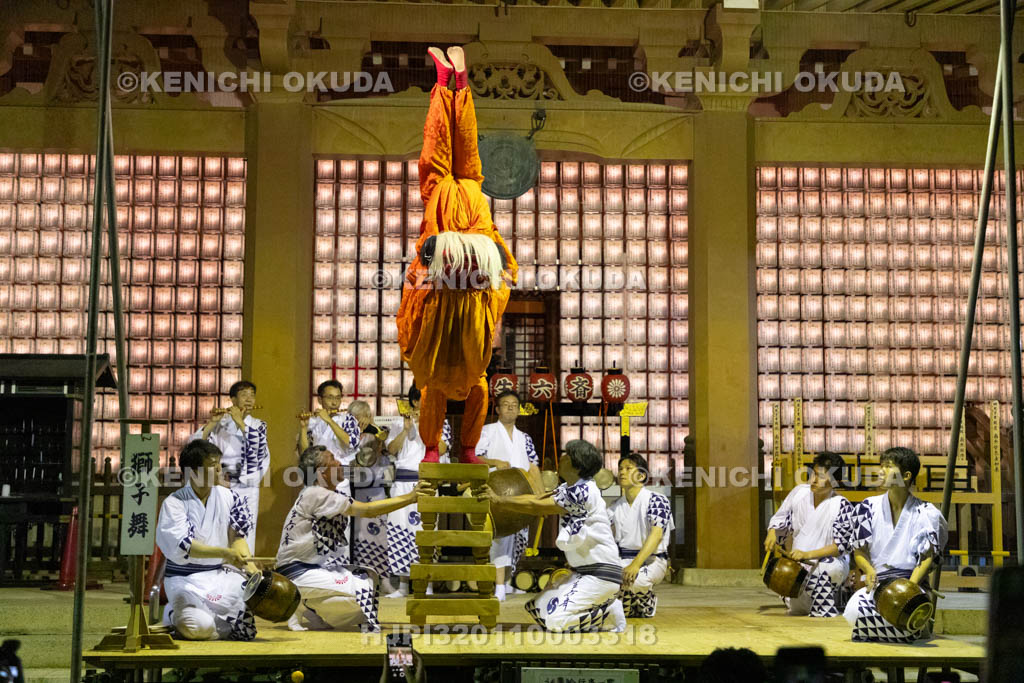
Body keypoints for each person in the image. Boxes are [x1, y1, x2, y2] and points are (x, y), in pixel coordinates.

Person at [396, 44, 518, 466]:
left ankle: (454, 85)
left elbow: (418, 294)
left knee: (462, 158)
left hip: (460, 232)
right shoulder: (463, 375)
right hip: (459, 234)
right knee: (440, 156)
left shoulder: (437, 375)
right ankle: (451, 85)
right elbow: (500, 285)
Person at [276, 445, 434, 632]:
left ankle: (306, 604)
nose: (339, 463)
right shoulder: (317, 494)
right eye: (332, 459)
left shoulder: (319, 493)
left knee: (368, 576)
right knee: (363, 592)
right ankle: (304, 603)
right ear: (322, 472)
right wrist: (410, 497)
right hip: (296, 573)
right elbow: (368, 510)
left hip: (306, 569)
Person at [477, 439, 626, 632]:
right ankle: (599, 607)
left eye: (566, 455)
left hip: (601, 574)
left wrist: (499, 501)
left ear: (576, 465)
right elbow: (537, 498)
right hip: (583, 572)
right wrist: (500, 500)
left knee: (556, 622)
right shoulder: (571, 488)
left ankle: (607, 611)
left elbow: (535, 507)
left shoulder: (583, 492)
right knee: (537, 609)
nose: (560, 458)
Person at [843, 447, 948, 642]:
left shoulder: (927, 513)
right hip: (878, 586)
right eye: (880, 466)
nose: (880, 471)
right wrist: (868, 570)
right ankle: (908, 632)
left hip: (910, 585)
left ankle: (905, 630)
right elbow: (859, 551)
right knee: (854, 610)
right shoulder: (867, 507)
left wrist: (907, 589)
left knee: (904, 614)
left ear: (906, 475)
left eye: (888, 467)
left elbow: (926, 559)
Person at [156, 440, 257, 641]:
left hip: (219, 576)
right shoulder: (174, 503)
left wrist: (250, 566)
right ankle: (172, 614)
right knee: (199, 627)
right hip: (184, 580)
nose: (220, 469)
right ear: (192, 471)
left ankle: (212, 621)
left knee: (247, 621)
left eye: (219, 463)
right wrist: (224, 553)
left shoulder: (230, 496)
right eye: (212, 465)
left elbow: (237, 536)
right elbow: (185, 546)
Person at [765, 451, 854, 618]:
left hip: (824, 562)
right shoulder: (799, 493)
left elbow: (840, 546)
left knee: (828, 567)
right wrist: (772, 533)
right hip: (798, 564)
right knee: (790, 592)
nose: (813, 480)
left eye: (820, 476)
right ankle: (823, 600)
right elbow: (781, 518)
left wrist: (807, 554)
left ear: (835, 481)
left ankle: (833, 599)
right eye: (813, 473)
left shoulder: (842, 506)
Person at [382, 385, 452, 596]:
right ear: (414, 401)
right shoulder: (398, 422)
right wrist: (405, 429)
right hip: (403, 482)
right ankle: (403, 585)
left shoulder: (441, 423)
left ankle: (427, 584)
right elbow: (391, 450)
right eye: (423, 400)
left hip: (427, 481)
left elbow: (442, 449)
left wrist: (428, 425)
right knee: (399, 531)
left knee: (426, 533)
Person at [475, 390, 541, 601]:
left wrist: (541, 498)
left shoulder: (525, 438)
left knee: (519, 537)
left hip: (521, 493)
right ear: (497, 409)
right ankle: (499, 586)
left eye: (514, 404)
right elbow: (473, 457)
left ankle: (508, 582)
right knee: (500, 537)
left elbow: (534, 467)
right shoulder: (487, 431)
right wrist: (494, 463)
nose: (511, 407)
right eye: (506, 404)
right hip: (497, 492)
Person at [189, 380, 268, 550]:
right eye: (244, 395)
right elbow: (196, 447)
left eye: (252, 395)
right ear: (232, 399)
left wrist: (240, 422)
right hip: (221, 482)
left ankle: (244, 567)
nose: (249, 399)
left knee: (245, 527)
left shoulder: (259, 425)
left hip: (247, 484)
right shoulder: (221, 423)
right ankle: (219, 565)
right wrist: (212, 423)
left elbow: (259, 450)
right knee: (220, 523)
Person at [608, 453, 674, 617]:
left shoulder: (657, 500)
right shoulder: (615, 506)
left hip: (652, 560)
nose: (622, 472)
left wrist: (636, 564)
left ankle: (647, 600)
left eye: (628, 468)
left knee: (637, 580)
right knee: (602, 581)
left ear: (642, 475)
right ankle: (628, 604)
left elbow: (656, 534)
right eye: (620, 469)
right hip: (623, 559)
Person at [345, 399, 393, 579]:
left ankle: (382, 577)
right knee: (358, 536)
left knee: (379, 534)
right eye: (357, 417)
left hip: (376, 490)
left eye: (364, 416)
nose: (361, 420)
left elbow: (384, 441)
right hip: (356, 491)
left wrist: (371, 427)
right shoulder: (348, 435)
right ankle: (361, 576)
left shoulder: (377, 433)